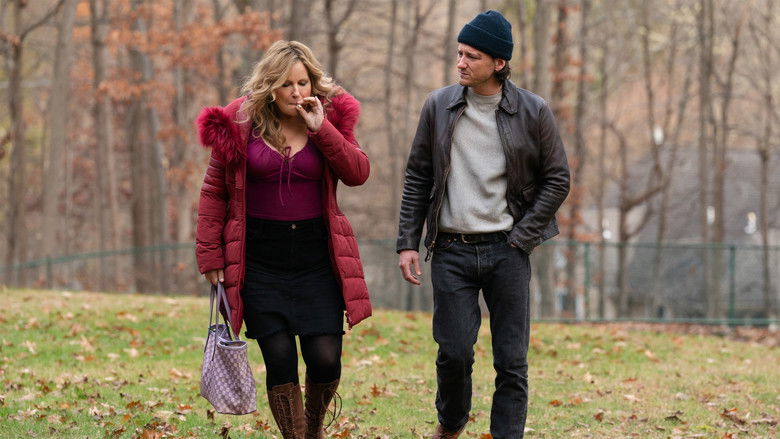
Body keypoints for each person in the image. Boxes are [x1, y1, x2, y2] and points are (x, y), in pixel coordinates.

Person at [396, 10, 570, 439]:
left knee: (512, 361)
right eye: (459, 53)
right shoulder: (438, 106)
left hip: (507, 250)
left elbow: (557, 179)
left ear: (498, 62)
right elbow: (418, 176)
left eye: (471, 56)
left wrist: (522, 238)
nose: (460, 62)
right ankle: (452, 421)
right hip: (451, 249)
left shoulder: (533, 111)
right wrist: (408, 242)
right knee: (454, 352)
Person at [195, 40, 371, 439]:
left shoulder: (329, 117)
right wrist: (210, 257)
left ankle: (313, 428)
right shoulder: (240, 122)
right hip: (259, 261)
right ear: (270, 86)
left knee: (325, 359)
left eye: (303, 83)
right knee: (279, 358)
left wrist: (321, 129)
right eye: (286, 84)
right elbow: (214, 193)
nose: (296, 92)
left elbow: (358, 173)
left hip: (316, 260)